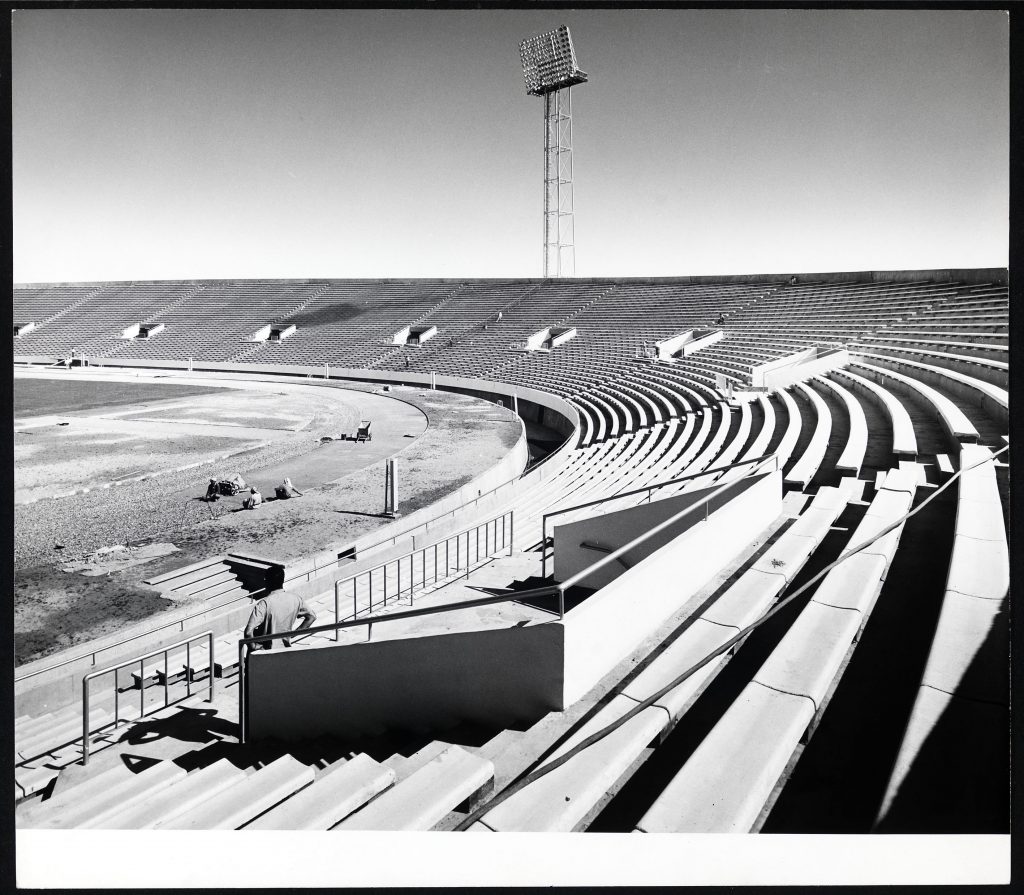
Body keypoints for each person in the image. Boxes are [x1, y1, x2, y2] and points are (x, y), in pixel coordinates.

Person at [244, 567, 316, 651]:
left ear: (267, 581)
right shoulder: (295, 599)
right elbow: (312, 617)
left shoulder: (264, 604)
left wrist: (253, 647)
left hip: (266, 652)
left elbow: (248, 632)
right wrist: (293, 633)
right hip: (284, 650)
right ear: (282, 580)